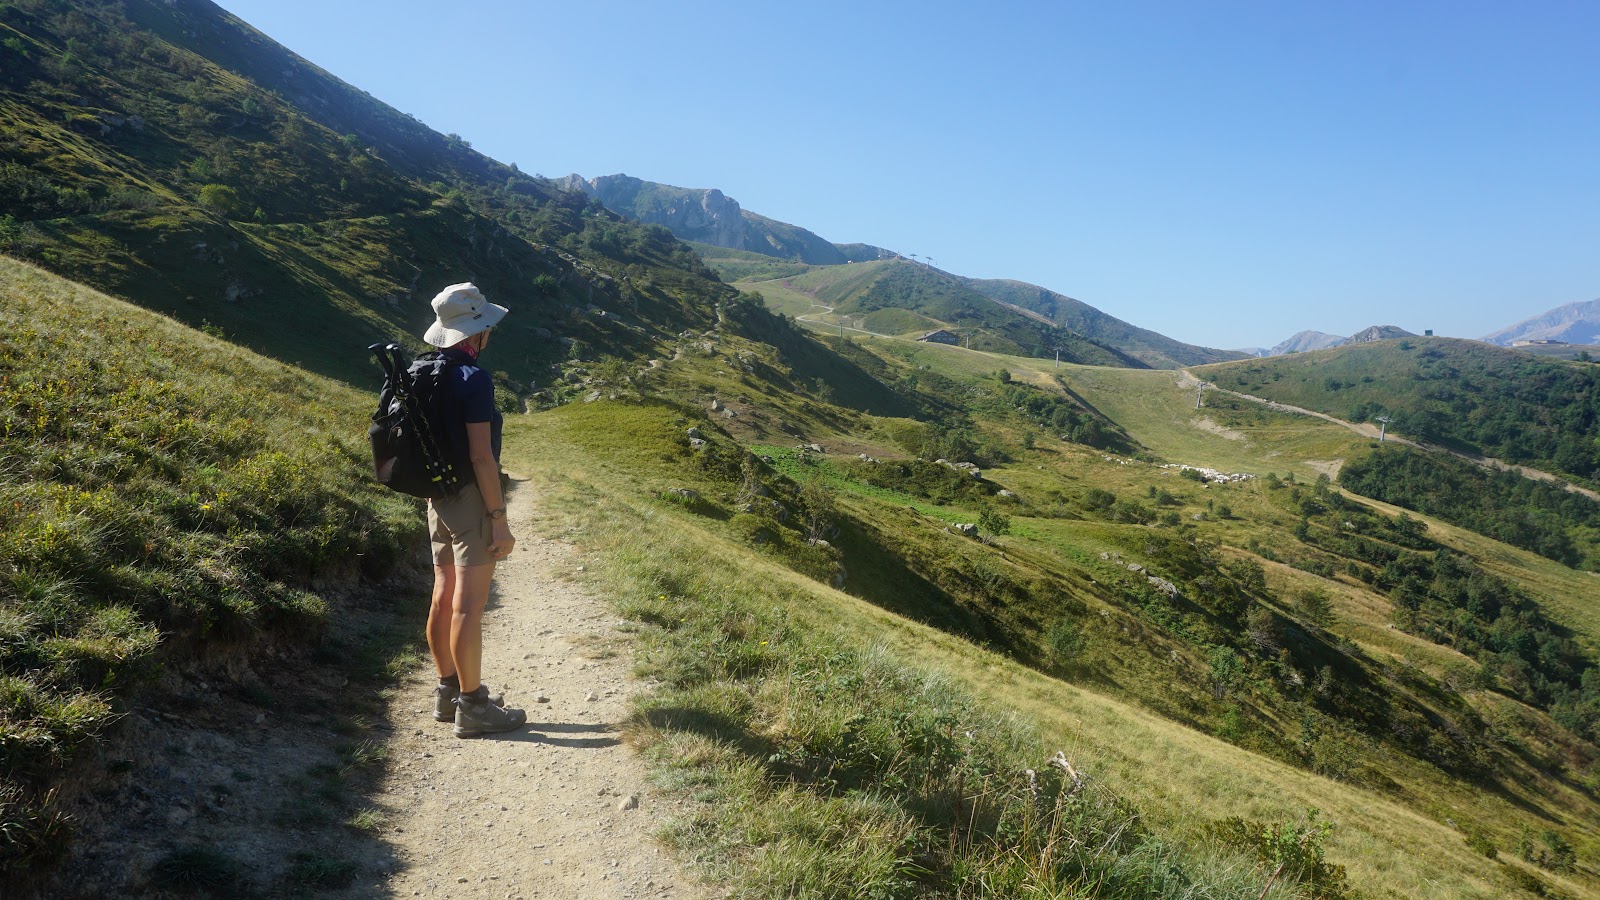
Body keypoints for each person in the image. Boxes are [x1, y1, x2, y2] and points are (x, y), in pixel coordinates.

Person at [420, 282, 527, 738]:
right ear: (476, 333)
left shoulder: (421, 371)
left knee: (443, 594)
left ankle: (448, 691)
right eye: (488, 328)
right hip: (469, 496)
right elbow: (482, 457)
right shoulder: (473, 380)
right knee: (469, 605)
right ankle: (474, 705)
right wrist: (498, 518)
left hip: (436, 496)